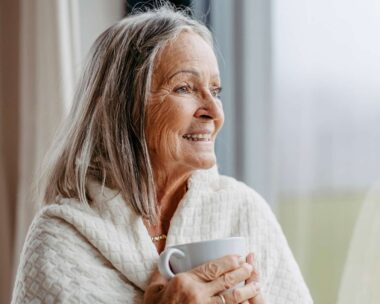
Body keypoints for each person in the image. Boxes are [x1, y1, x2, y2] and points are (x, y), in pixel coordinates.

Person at [12, 6, 312, 304]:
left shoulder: (245, 212)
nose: (213, 111)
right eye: (184, 88)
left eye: (215, 90)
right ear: (123, 106)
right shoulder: (60, 241)